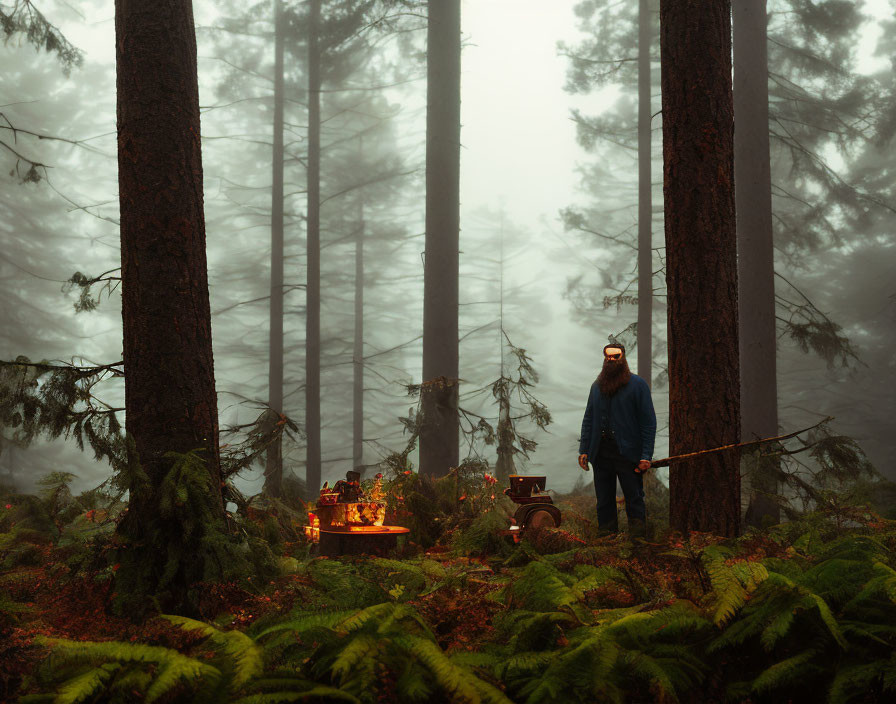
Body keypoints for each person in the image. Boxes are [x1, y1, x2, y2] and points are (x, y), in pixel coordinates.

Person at [578, 343, 657, 537]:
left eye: (616, 356)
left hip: (628, 454)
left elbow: (648, 423)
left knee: (634, 498)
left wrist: (646, 455)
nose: (611, 360)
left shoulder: (638, 385)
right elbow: (589, 419)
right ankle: (607, 543)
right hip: (600, 454)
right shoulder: (596, 387)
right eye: (608, 357)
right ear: (604, 358)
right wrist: (584, 450)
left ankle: (638, 544)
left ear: (623, 358)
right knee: (604, 501)